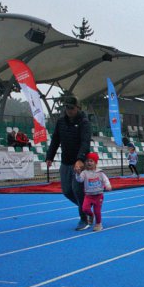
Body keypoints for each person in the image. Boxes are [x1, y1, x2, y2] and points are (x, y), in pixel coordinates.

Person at [46, 96, 92, 230]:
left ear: (78, 107)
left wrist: (80, 159)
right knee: (67, 191)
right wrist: (50, 156)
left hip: (78, 163)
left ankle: (84, 219)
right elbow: (55, 140)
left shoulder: (84, 123)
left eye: (71, 108)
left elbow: (85, 142)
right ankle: (86, 207)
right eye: (67, 107)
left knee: (77, 191)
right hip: (65, 162)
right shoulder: (61, 122)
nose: (69, 110)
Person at [75, 152, 112, 232]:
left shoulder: (100, 173)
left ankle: (98, 224)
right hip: (88, 196)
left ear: (95, 163)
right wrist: (78, 174)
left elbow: (105, 180)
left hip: (98, 195)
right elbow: (80, 180)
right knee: (85, 209)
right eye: (87, 161)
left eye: (91, 161)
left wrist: (108, 185)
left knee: (97, 211)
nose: (89, 163)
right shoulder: (84, 173)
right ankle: (91, 215)